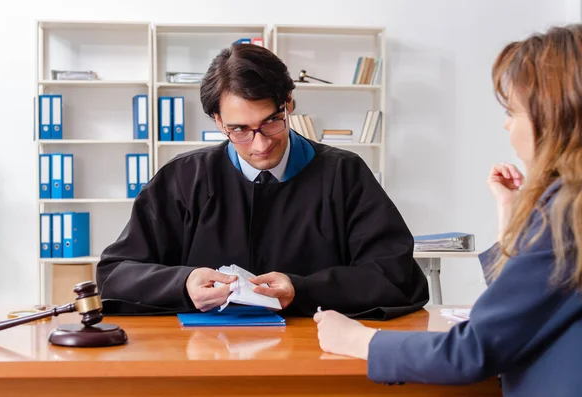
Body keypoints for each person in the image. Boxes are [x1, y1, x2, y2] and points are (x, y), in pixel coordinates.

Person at [313, 24, 582, 396]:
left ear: (555, 118)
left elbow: (473, 349)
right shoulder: (564, 208)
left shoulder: (567, 215)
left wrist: (359, 341)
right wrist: (511, 211)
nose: (507, 125)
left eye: (513, 111)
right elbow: (517, 307)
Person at [95, 43, 429, 319]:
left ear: (289, 104)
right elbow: (115, 274)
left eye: (271, 122)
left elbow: (393, 273)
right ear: (217, 121)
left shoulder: (345, 175)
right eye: (239, 129)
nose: (260, 144)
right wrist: (183, 282)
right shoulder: (184, 179)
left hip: (317, 355)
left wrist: (302, 289)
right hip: (204, 357)